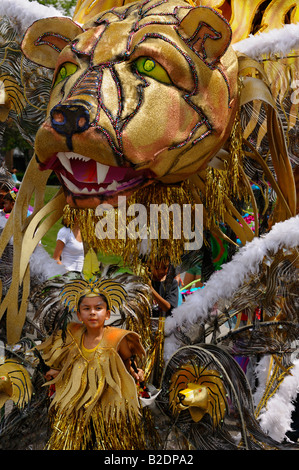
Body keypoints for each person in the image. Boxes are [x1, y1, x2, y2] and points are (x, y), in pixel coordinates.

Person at [36, 272, 147, 450]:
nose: (92, 313)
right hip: (78, 404)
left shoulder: (117, 338)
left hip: (108, 403)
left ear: (108, 314)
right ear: (79, 315)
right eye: (86, 309)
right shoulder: (72, 334)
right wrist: (59, 373)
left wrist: (136, 373)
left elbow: (128, 361)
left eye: (98, 308)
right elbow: (71, 363)